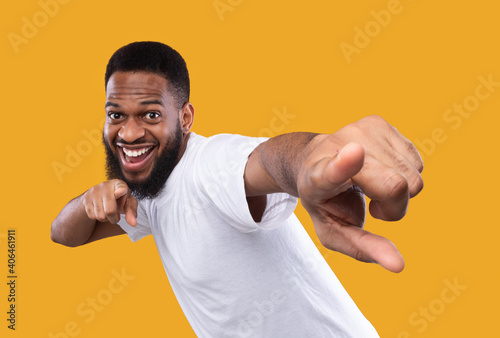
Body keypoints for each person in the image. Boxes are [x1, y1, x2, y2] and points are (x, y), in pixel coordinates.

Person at [51, 41, 423, 337]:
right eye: (116, 114)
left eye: (150, 115)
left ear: (185, 118)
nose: (129, 133)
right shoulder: (148, 192)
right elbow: (63, 234)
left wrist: (312, 156)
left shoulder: (209, 165)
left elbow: (265, 161)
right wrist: (87, 202)